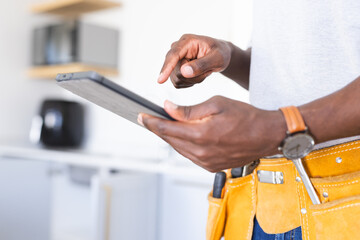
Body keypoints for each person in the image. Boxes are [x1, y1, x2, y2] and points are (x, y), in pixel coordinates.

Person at [137, 2, 360, 240]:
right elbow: (285, 73)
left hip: (343, 201)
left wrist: (280, 127)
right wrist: (230, 56)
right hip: (261, 207)